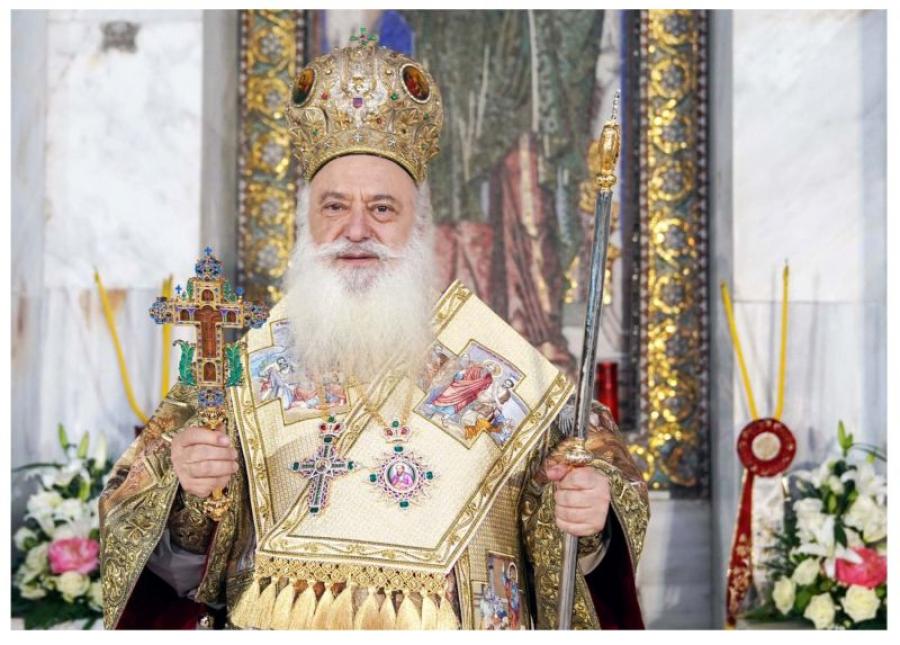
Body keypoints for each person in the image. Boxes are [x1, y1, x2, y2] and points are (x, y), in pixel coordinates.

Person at [99, 32, 648, 631]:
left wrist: (590, 520)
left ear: (420, 226)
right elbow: (165, 566)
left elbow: (581, 543)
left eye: (382, 209)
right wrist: (186, 495)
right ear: (306, 222)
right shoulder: (233, 377)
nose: (356, 230)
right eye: (335, 207)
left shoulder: (510, 379)